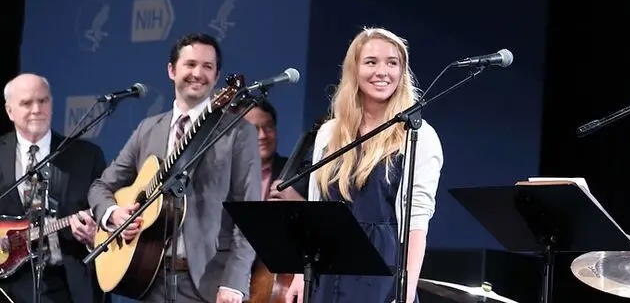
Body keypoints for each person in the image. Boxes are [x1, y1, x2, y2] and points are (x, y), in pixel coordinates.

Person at [89, 33, 261, 303]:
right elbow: (102, 186)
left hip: (208, 283)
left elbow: (251, 216)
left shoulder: (237, 132)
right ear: (171, 70)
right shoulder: (148, 129)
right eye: (190, 64)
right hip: (148, 278)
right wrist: (113, 215)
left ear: (217, 77)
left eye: (207, 67)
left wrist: (235, 283)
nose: (198, 73)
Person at [284, 27, 443, 302]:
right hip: (327, 277)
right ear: (354, 70)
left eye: (392, 63)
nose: (382, 71)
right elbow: (315, 209)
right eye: (371, 62)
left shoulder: (418, 136)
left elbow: (417, 224)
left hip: (383, 280)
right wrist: (300, 274)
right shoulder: (329, 133)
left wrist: (405, 292)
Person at [0, 74, 107, 302]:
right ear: (10, 111)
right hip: (7, 287)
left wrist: (93, 237)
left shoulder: (85, 156)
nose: (37, 109)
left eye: (43, 101)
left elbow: (107, 216)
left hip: (68, 283)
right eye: (27, 103)